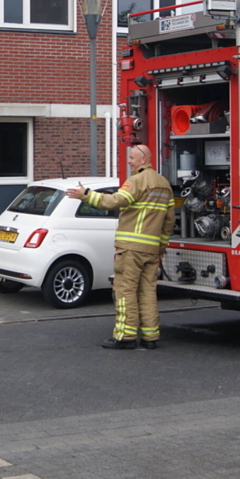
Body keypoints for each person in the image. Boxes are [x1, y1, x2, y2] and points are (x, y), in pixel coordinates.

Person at [65, 144, 175, 350]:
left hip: (131, 249)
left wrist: (85, 194)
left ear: (143, 160)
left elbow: (114, 201)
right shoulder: (164, 184)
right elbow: (169, 221)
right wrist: (160, 247)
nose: (129, 162)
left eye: (132, 158)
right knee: (148, 293)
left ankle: (125, 336)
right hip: (151, 250)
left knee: (125, 291)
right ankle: (151, 337)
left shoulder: (136, 181)